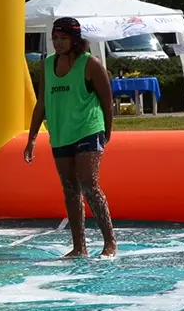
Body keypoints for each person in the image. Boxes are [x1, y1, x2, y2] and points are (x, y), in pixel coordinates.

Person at [24, 16, 117, 259]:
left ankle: (110, 243)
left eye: (63, 38)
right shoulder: (47, 65)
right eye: (55, 38)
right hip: (61, 133)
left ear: (75, 39)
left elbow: (107, 102)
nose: (58, 43)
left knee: (89, 185)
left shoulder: (90, 64)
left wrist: (107, 132)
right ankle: (79, 247)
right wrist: (32, 138)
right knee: (70, 189)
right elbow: (41, 103)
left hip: (88, 129)